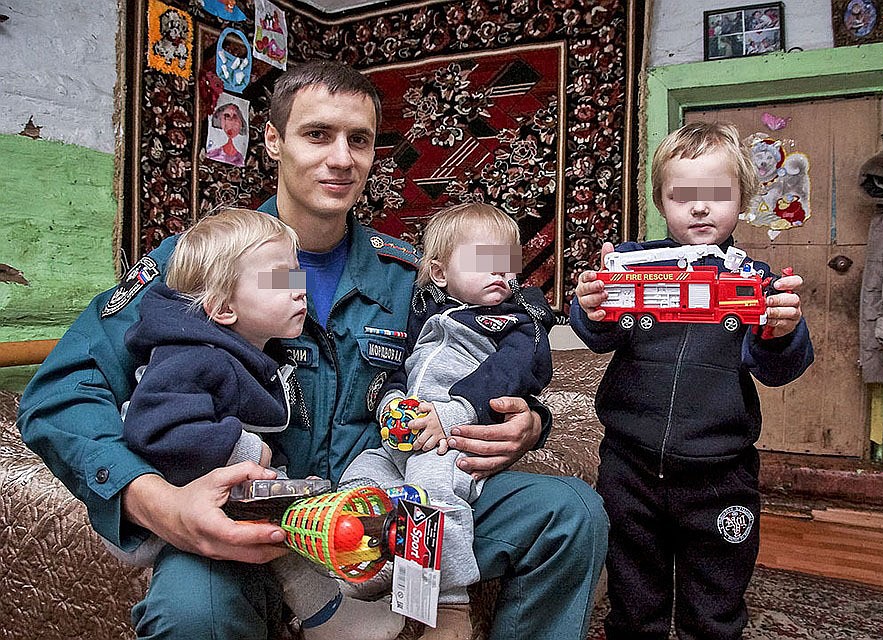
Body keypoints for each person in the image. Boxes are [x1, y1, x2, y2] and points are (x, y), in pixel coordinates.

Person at [17, 59, 607, 640]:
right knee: (194, 617)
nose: (342, 158)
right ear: (272, 140)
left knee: (569, 515)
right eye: (317, 134)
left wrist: (528, 423)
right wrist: (159, 505)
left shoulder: (409, 275)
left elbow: (483, 354)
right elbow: (62, 391)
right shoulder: (202, 262)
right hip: (246, 516)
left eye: (361, 140)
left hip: (381, 504)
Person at [570, 121, 814, 640]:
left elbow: (780, 370)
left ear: (742, 198)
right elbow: (599, 336)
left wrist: (781, 330)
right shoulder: (632, 265)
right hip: (629, 464)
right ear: (661, 201)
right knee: (633, 594)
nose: (700, 208)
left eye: (716, 194)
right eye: (683, 195)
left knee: (716, 597)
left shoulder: (759, 281)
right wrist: (589, 306)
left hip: (720, 470)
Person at [116, 207, 379, 637]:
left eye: (298, 276)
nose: (300, 291)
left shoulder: (242, 349)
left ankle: (326, 612)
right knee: (282, 536)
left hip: (217, 488)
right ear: (222, 308)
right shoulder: (193, 356)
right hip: (181, 501)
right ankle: (331, 617)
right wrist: (244, 449)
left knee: (282, 528)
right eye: (281, 280)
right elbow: (156, 431)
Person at [340, 203, 555, 640]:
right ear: (439, 273)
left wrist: (456, 412)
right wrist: (391, 401)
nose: (499, 273)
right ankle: (378, 566)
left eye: (506, 263)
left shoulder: (517, 321)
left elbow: (511, 373)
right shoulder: (426, 315)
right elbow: (400, 366)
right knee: (360, 477)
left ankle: (450, 603)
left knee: (430, 492)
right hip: (405, 435)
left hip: (455, 437)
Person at [206, 102, 247, 167]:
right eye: (227, 116)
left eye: (235, 117)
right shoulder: (213, 153)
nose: (231, 122)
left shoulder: (241, 159)